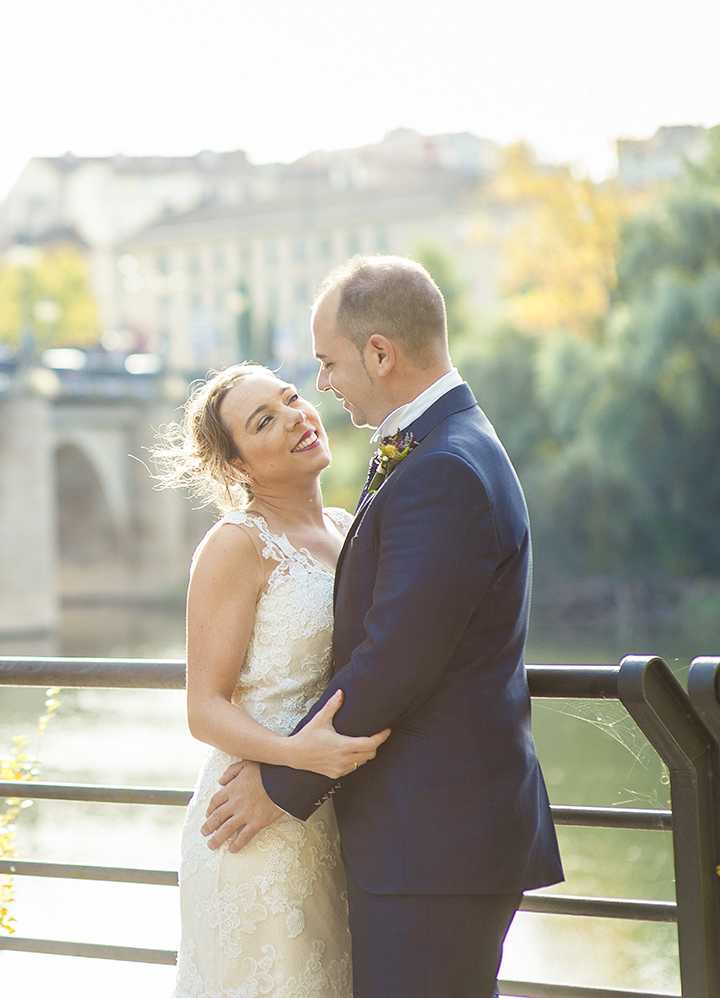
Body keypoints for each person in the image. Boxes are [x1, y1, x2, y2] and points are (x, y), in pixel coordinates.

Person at [200, 256, 564, 997]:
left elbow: (394, 662)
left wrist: (281, 783)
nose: (323, 388)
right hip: (410, 837)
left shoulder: (444, 468)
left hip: (431, 843)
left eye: (325, 365)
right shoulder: (442, 445)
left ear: (379, 354)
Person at [157, 361, 390, 997]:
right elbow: (203, 707)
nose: (295, 417)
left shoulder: (348, 528)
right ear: (238, 468)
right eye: (265, 421)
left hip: (333, 823)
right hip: (253, 827)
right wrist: (293, 758)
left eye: (291, 399)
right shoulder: (237, 544)